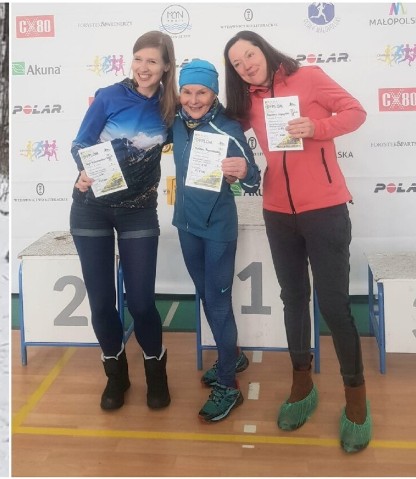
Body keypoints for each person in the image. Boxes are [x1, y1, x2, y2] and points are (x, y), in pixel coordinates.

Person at [223, 31, 370, 451]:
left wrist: (317, 126)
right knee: (292, 298)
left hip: (324, 209)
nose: (246, 64)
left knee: (336, 306)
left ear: (264, 51)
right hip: (277, 212)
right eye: (236, 62)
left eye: (250, 54)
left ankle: (356, 399)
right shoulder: (247, 101)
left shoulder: (310, 78)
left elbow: (356, 112)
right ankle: (302, 385)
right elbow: (211, 123)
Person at [71, 31, 178, 411]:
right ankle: (116, 376)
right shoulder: (109, 96)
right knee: (102, 303)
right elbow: (80, 143)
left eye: (152, 61)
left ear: (166, 65)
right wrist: (83, 170)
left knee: (143, 302)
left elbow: (201, 129)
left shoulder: (172, 107)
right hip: (91, 207)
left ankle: (156, 372)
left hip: (139, 209)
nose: (143, 67)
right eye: (138, 59)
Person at [171, 59, 260, 422]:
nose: (193, 100)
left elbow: (253, 179)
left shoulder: (228, 127)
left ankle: (228, 384)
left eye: (201, 92)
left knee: (219, 305)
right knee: (206, 295)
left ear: (214, 93)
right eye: (187, 92)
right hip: (186, 224)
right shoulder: (174, 123)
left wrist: (244, 170)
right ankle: (233, 356)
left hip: (219, 228)